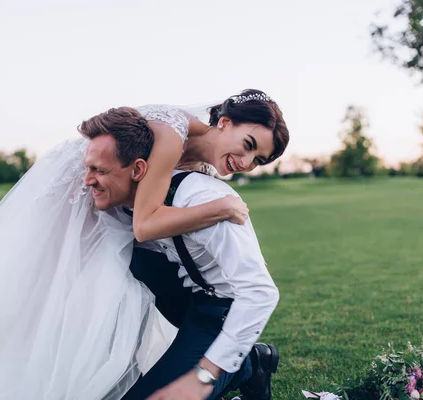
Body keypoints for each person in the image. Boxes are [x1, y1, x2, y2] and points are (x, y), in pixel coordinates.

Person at [0, 90, 289, 400]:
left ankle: (235, 362)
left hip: (121, 207)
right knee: (48, 294)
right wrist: (221, 208)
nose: (246, 163)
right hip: (88, 193)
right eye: (248, 146)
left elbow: (152, 227)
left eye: (257, 160)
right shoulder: (171, 137)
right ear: (225, 122)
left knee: (110, 283)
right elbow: (144, 225)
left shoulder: (197, 169)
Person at [82, 117, 280, 400]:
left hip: (221, 312)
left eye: (100, 170)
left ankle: (244, 365)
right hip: (185, 301)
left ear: (138, 168)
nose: (88, 180)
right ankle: (246, 361)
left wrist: (206, 373)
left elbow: (260, 292)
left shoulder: (201, 198)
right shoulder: (123, 204)